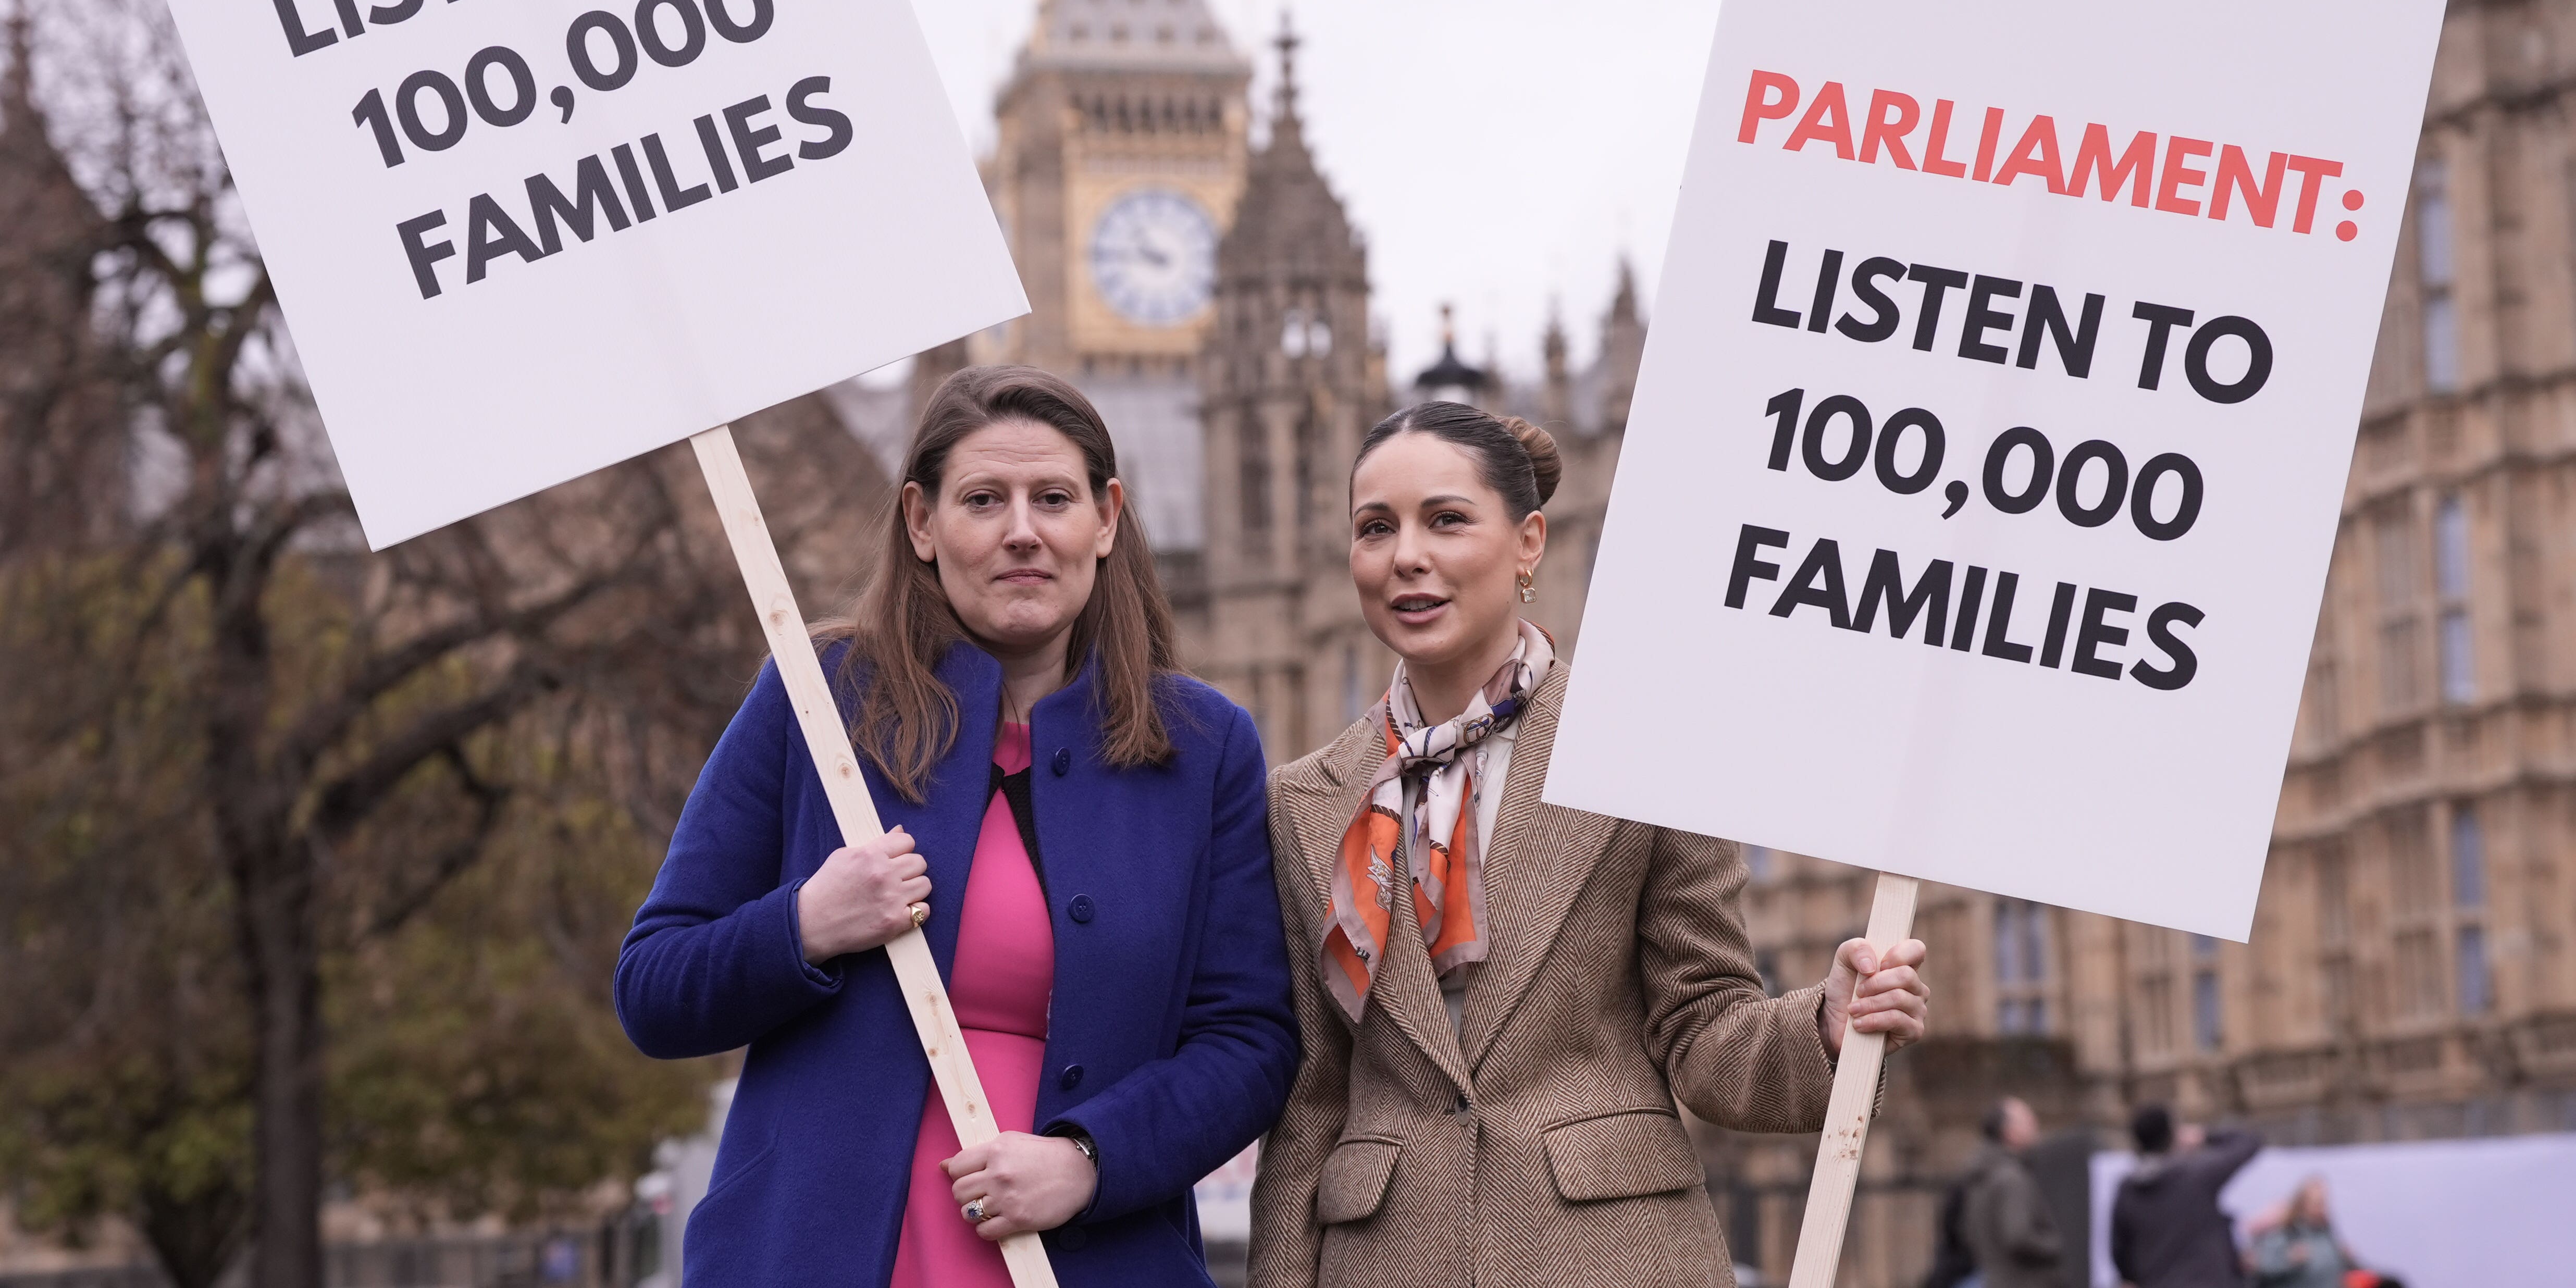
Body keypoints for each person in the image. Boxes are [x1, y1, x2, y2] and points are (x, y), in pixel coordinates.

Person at [615, 366, 1299, 1286]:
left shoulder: (1203, 744)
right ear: (921, 522)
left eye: (1052, 498)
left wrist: (1089, 1162)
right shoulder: (817, 696)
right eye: (983, 499)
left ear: (1104, 520)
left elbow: (1247, 1040)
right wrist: (806, 923)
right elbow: (653, 987)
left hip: (1087, 1256)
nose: (1021, 530)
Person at [1248, 400, 1933, 1287]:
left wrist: (1825, 1029)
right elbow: (1311, 1102)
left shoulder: (1645, 744)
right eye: (1374, 527)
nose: (1405, 555)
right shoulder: (1304, 798)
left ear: (1528, 541)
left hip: (1611, 1255)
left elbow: (1703, 1027)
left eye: (1446, 520)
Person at [2109, 1105, 2261, 1288]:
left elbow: (2120, 1253)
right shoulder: (2195, 1174)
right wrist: (2204, 1135)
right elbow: (2248, 1141)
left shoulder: (2128, 1190)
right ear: (2173, 1134)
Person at [1958, 1097, 2062, 1288]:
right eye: (2028, 1121)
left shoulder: (1982, 1176)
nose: (2035, 1126)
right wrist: (2058, 1245)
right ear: (2009, 1132)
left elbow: (1967, 1233)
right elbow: (2019, 1236)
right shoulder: (2011, 1178)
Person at [2246, 1178, 2361, 1288]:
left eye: (2324, 1202)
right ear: (2303, 1203)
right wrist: (2288, 1260)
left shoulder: (2326, 1235)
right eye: (2317, 1203)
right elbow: (2259, 1265)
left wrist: (2347, 1260)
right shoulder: (2288, 1232)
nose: (2322, 1208)